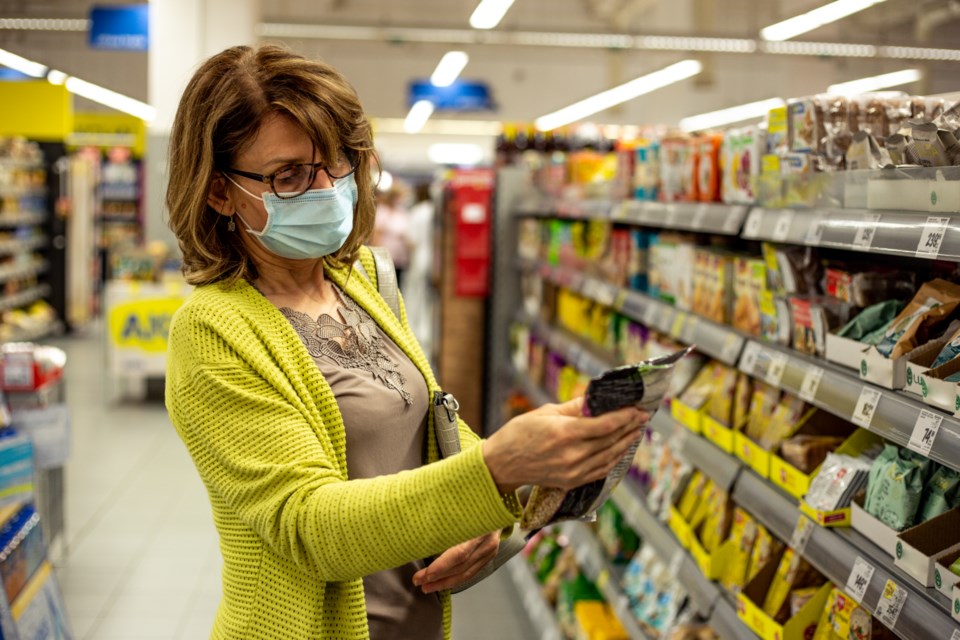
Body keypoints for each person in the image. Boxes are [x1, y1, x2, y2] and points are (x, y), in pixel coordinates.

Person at [164, 43, 648, 640]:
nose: (326, 187)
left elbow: (428, 422)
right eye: (289, 175)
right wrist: (494, 470)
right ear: (219, 193)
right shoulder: (213, 332)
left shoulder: (364, 278)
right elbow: (308, 526)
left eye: (338, 160)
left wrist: (492, 502)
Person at [402, 182, 435, 355]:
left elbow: (411, 240)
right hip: (433, 257)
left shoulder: (417, 212)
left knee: (415, 294)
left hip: (419, 257)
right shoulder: (432, 210)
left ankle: (415, 329)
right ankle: (425, 329)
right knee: (427, 296)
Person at [372, 181, 412, 289]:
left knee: (398, 285)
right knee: (385, 285)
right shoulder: (382, 212)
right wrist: (377, 255)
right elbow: (376, 234)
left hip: (399, 257)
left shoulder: (402, 212)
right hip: (385, 255)